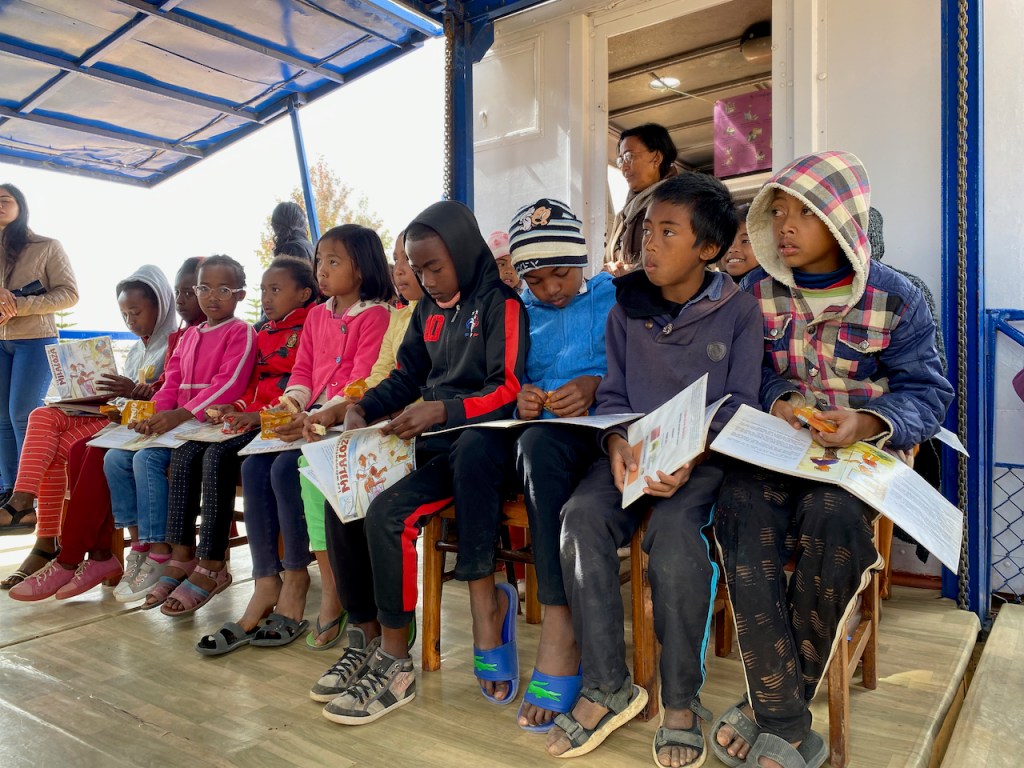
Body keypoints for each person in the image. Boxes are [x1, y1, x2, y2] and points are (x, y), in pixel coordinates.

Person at [712, 151, 953, 768]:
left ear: (842, 220)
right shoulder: (755, 293)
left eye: (804, 213)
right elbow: (747, 375)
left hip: (858, 459)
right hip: (778, 449)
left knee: (834, 518)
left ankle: (771, 708)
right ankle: (788, 722)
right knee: (738, 507)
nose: (784, 226)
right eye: (777, 213)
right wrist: (782, 399)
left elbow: (928, 393)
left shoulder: (898, 298)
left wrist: (868, 421)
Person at [546, 174, 762, 766]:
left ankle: (681, 701)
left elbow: (741, 403)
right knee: (580, 517)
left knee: (674, 540)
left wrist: (694, 455)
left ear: (708, 249)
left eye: (669, 232)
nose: (650, 244)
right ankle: (607, 685)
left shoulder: (739, 311)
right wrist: (616, 440)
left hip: (702, 462)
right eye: (647, 230)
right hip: (634, 454)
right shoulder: (626, 308)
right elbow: (614, 394)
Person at [310, 200, 527, 726]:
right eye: (417, 268)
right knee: (344, 498)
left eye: (435, 267)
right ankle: (365, 634)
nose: (426, 280)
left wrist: (444, 410)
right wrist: (364, 409)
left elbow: (508, 389)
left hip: (475, 445)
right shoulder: (427, 311)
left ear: (465, 252)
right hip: (424, 441)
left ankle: (395, 660)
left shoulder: (500, 303)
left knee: (390, 515)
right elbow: (406, 375)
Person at [201, 226, 392, 652]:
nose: (322, 270)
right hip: (309, 418)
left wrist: (315, 415)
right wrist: (288, 409)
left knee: (288, 468)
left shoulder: (376, 315)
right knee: (255, 466)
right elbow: (302, 373)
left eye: (333, 262)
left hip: (346, 421)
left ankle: (301, 580)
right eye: (320, 260)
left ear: (362, 268)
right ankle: (267, 580)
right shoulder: (319, 316)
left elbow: (363, 381)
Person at [481, 199, 617, 732]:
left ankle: (562, 632)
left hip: (609, 431)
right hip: (548, 440)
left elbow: (638, 368)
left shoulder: (613, 296)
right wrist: (526, 399)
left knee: (541, 450)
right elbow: (511, 379)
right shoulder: (519, 311)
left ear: (582, 259)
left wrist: (595, 385)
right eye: (535, 280)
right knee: (536, 445)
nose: (551, 289)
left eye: (561, 273)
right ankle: (560, 620)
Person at [2, 258, 206, 595]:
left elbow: (169, 394)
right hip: (122, 420)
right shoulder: (138, 350)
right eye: (124, 315)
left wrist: (134, 394)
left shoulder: (177, 342)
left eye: (136, 312)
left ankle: (67, 553)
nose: (130, 321)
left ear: (161, 303)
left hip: (154, 426)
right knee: (45, 420)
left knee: (80, 451)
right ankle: (29, 512)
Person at [151, 258, 318, 617]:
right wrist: (237, 406)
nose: (267, 298)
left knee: (217, 456)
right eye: (264, 290)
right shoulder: (264, 331)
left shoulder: (308, 327)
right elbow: (253, 384)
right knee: (185, 453)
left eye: (275, 290)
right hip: (250, 417)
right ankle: (182, 554)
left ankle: (213, 562)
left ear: (304, 293)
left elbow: (302, 384)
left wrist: (255, 413)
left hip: (279, 419)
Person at [104, 255, 256, 604]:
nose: (212, 297)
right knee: (114, 458)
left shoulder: (240, 332)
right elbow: (171, 382)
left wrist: (181, 415)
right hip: (177, 424)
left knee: (146, 460)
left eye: (223, 289)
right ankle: (140, 545)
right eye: (204, 288)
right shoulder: (188, 337)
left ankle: (163, 551)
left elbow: (228, 385)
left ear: (240, 295)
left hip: (204, 426)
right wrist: (154, 415)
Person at [0, 183, 79, 514]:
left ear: (21, 206)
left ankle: (28, 497)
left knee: (24, 415)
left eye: (5, 200)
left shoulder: (46, 246)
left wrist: (18, 305)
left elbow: (69, 293)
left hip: (35, 338)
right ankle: (8, 491)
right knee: (1, 418)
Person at [604, 124, 679, 276]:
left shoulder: (678, 203)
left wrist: (631, 273)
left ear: (656, 158)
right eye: (621, 160)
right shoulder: (625, 214)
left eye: (629, 156)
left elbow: (680, 263)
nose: (624, 167)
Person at [723, 203, 764, 283]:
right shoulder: (714, 285)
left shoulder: (772, 287)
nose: (732, 249)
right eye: (727, 240)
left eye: (745, 241)